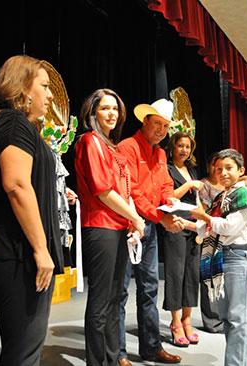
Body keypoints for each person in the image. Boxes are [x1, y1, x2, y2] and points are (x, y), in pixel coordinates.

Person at [0, 55, 64, 366]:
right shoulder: (13, 122)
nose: (50, 95)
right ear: (23, 87)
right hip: (18, 250)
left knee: (24, 345)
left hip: (13, 248)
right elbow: (16, 185)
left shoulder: (4, 122)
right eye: (44, 86)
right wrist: (41, 250)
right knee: (24, 348)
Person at [75, 88, 146, 366]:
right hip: (100, 226)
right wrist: (137, 218)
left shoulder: (112, 146)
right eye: (105, 108)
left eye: (115, 109)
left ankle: (113, 356)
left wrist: (132, 220)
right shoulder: (90, 141)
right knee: (102, 299)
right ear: (92, 113)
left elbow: (124, 189)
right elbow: (104, 192)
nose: (112, 113)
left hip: (119, 227)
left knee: (116, 297)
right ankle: (97, 361)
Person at [117, 98, 184, 365]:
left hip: (150, 228)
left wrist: (169, 201)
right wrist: (161, 217)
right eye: (157, 124)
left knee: (149, 289)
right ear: (145, 122)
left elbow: (165, 184)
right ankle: (119, 353)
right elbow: (131, 192)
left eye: (165, 126)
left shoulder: (160, 153)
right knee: (120, 291)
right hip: (127, 227)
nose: (161, 130)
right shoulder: (127, 148)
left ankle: (151, 347)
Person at [188, 148, 247, 366]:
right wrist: (190, 224)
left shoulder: (244, 193)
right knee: (229, 319)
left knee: (239, 319)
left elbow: (230, 227)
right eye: (218, 169)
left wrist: (203, 217)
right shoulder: (223, 196)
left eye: (229, 168)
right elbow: (210, 229)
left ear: (241, 170)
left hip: (239, 256)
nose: (223, 173)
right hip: (223, 258)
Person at [162, 131, 203, 347]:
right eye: (180, 146)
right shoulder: (167, 169)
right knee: (175, 274)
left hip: (194, 226)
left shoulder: (192, 170)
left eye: (188, 146)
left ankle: (188, 320)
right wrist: (188, 185)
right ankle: (175, 322)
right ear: (173, 147)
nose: (184, 150)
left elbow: (197, 200)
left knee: (192, 275)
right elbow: (167, 197)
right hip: (175, 224)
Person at [199, 151, 225, 334]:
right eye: (216, 167)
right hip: (209, 235)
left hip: (226, 236)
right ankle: (212, 321)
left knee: (223, 278)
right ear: (209, 166)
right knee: (209, 278)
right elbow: (203, 211)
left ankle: (224, 318)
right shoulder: (204, 185)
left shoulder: (228, 185)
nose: (220, 171)